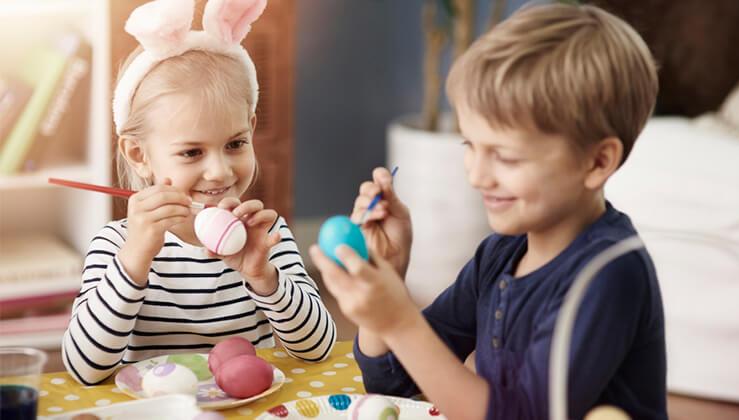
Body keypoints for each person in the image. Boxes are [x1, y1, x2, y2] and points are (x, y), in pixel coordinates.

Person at [309, 3, 666, 419]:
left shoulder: (609, 275)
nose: (477, 176)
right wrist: (387, 285)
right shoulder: (500, 255)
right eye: (470, 146)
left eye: (506, 157)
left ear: (597, 162)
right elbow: (395, 383)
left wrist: (402, 322)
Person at [62, 0, 335, 385]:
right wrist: (134, 262)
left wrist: (265, 278)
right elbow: (84, 370)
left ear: (251, 129)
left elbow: (318, 348)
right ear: (139, 155)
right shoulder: (116, 244)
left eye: (235, 144)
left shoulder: (264, 238)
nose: (220, 170)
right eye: (192, 152)